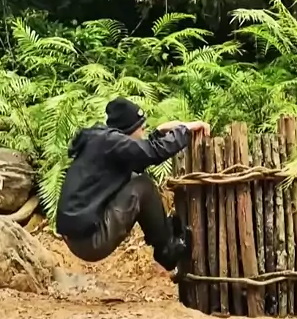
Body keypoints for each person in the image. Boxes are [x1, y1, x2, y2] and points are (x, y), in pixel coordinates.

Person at [56, 97, 210, 271]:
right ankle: (167, 249)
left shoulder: (104, 141)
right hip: (89, 240)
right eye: (142, 129)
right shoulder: (110, 142)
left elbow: (139, 156)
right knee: (143, 185)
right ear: (129, 129)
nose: (144, 134)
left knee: (134, 177)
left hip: (79, 237)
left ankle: (165, 240)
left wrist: (160, 132)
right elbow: (151, 152)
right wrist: (185, 131)